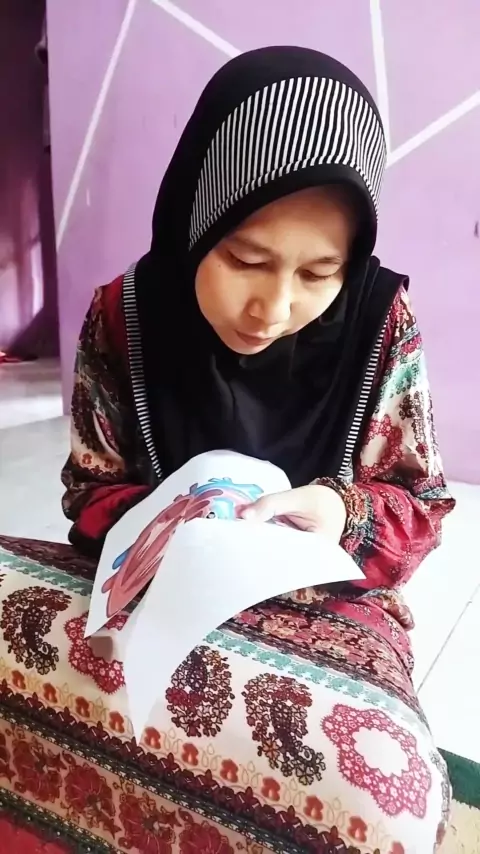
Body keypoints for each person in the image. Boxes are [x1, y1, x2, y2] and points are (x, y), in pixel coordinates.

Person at [62, 47, 454, 852]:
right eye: (245, 259)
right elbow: (88, 487)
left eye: (319, 274)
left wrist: (338, 513)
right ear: (194, 221)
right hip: (149, 588)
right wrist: (168, 523)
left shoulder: (379, 322)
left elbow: (420, 505)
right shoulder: (125, 314)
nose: (273, 308)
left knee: (370, 796)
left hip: (326, 600)